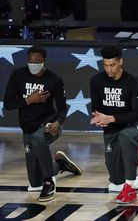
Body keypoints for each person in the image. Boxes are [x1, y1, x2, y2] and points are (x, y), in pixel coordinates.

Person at [3, 45, 82, 202]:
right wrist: (28, 100)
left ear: (44, 61)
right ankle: (60, 165)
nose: (33, 63)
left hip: (48, 123)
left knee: (39, 139)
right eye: (30, 60)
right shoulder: (18, 75)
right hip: (28, 127)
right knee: (34, 182)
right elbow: (8, 104)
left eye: (37, 61)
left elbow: (62, 109)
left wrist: (57, 123)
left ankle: (49, 182)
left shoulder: (54, 79)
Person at [90, 45, 138, 204]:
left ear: (120, 62)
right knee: (115, 183)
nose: (109, 69)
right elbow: (95, 107)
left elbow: (136, 114)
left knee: (125, 136)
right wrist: (98, 118)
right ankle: (137, 154)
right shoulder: (96, 80)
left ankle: (130, 188)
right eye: (105, 65)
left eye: (112, 65)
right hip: (111, 129)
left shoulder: (133, 82)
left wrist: (110, 118)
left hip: (133, 126)